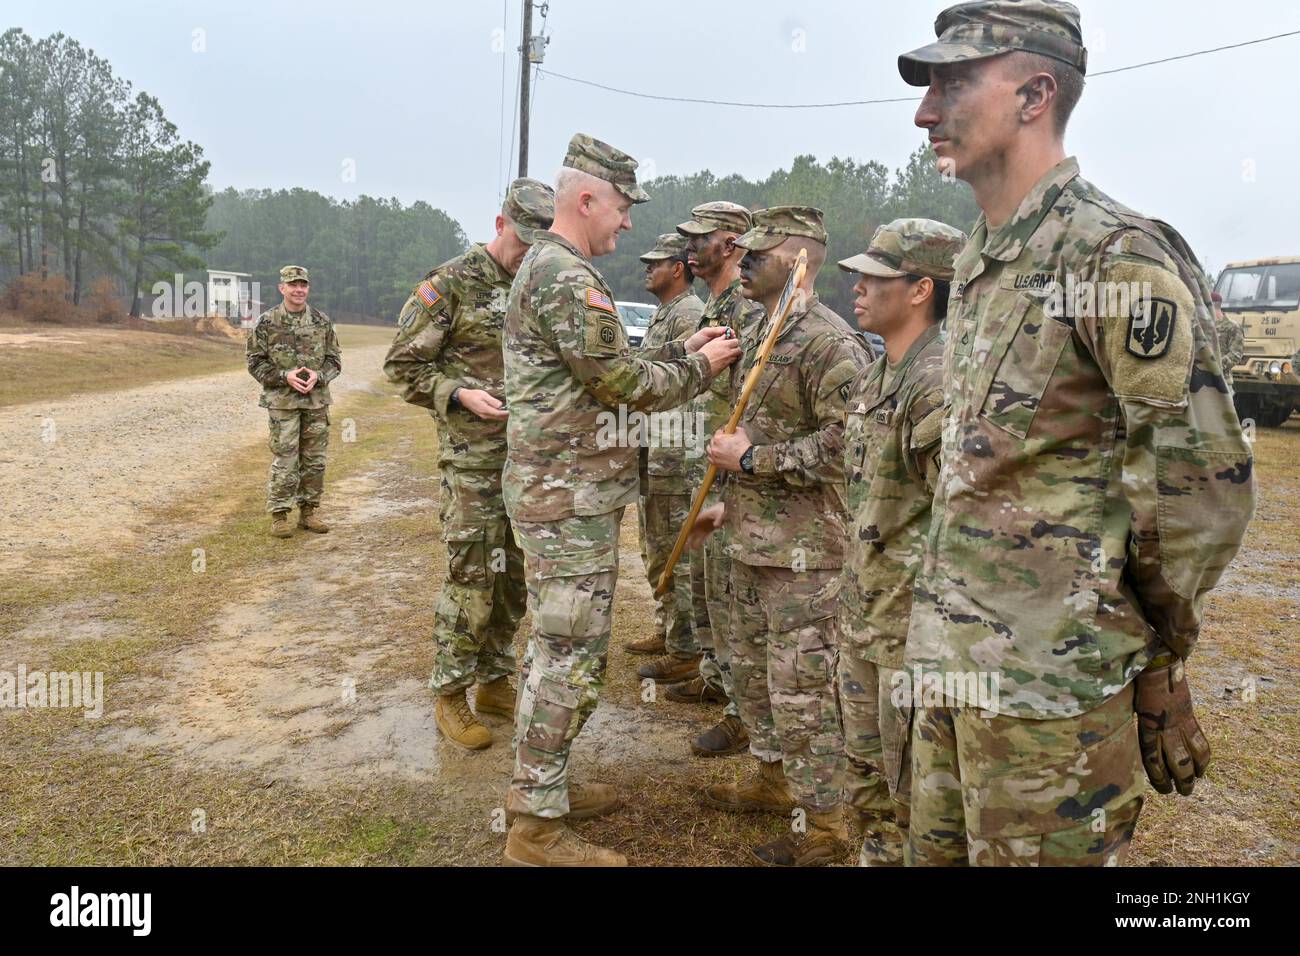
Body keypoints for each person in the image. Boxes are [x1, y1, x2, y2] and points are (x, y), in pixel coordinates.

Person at [897, 0, 1255, 865]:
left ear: (1035, 94)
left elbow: (1201, 491)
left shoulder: (1111, 257)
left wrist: (1154, 651)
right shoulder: (985, 257)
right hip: (952, 667)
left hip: (1049, 699)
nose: (924, 111)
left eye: (953, 82)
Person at [501, 134, 742, 867]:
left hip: (571, 492)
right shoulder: (568, 279)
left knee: (566, 647)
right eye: (622, 207)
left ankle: (550, 787)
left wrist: (676, 352)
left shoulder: (559, 271)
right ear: (586, 199)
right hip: (566, 498)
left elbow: (616, 366)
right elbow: (624, 387)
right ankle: (535, 827)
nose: (629, 224)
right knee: (566, 653)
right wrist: (699, 366)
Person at [691, 206, 872, 866]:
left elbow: (850, 445)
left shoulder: (829, 343)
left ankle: (829, 827)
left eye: (756, 257)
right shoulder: (759, 330)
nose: (741, 265)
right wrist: (731, 500)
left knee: (805, 697)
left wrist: (753, 462)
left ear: (797, 261)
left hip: (806, 558)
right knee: (754, 679)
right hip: (749, 543)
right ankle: (771, 779)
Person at [384, 177, 555, 750]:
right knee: (473, 576)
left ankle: (495, 681)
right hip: (474, 463)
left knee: (512, 581)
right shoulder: (451, 284)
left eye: (541, 241)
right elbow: (403, 366)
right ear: (500, 224)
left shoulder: (542, 284)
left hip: (527, 460)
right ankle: (450, 692)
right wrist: (459, 394)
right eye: (523, 238)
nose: (530, 250)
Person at [834, 218, 966, 866]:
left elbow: (960, 523)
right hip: (865, 618)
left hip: (909, 642)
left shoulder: (939, 380)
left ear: (920, 289)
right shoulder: (880, 372)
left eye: (874, 277)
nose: (856, 286)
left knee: (915, 800)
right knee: (867, 788)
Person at [666, 202, 764, 761]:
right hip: (710, 461)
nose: (689, 249)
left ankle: (739, 710)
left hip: (737, 468)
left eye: (699, 239)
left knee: (732, 594)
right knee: (709, 583)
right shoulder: (714, 307)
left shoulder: (746, 309)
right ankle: (718, 678)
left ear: (730, 244)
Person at [628, 233, 708, 686]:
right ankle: (669, 630)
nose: (647, 269)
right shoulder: (667, 314)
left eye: (655, 262)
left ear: (678, 268)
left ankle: (685, 649)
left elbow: (684, 385)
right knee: (656, 546)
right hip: (655, 450)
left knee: (673, 551)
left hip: (675, 455)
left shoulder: (690, 314)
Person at [245, 265, 341, 538]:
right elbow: (255, 363)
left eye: (303, 285)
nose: (299, 290)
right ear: (282, 288)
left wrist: (319, 376)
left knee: (314, 461)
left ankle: (309, 512)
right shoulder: (267, 322)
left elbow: (335, 360)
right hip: (282, 403)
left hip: (316, 402)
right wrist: (283, 377)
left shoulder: (322, 321)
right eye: (293, 285)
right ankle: (279, 515)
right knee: (285, 460)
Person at [1210, 291, 1244, 387]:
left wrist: (1215, 365)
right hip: (1202, 381)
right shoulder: (1203, 325)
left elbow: (1236, 354)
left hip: (1223, 380)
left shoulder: (1232, 326)